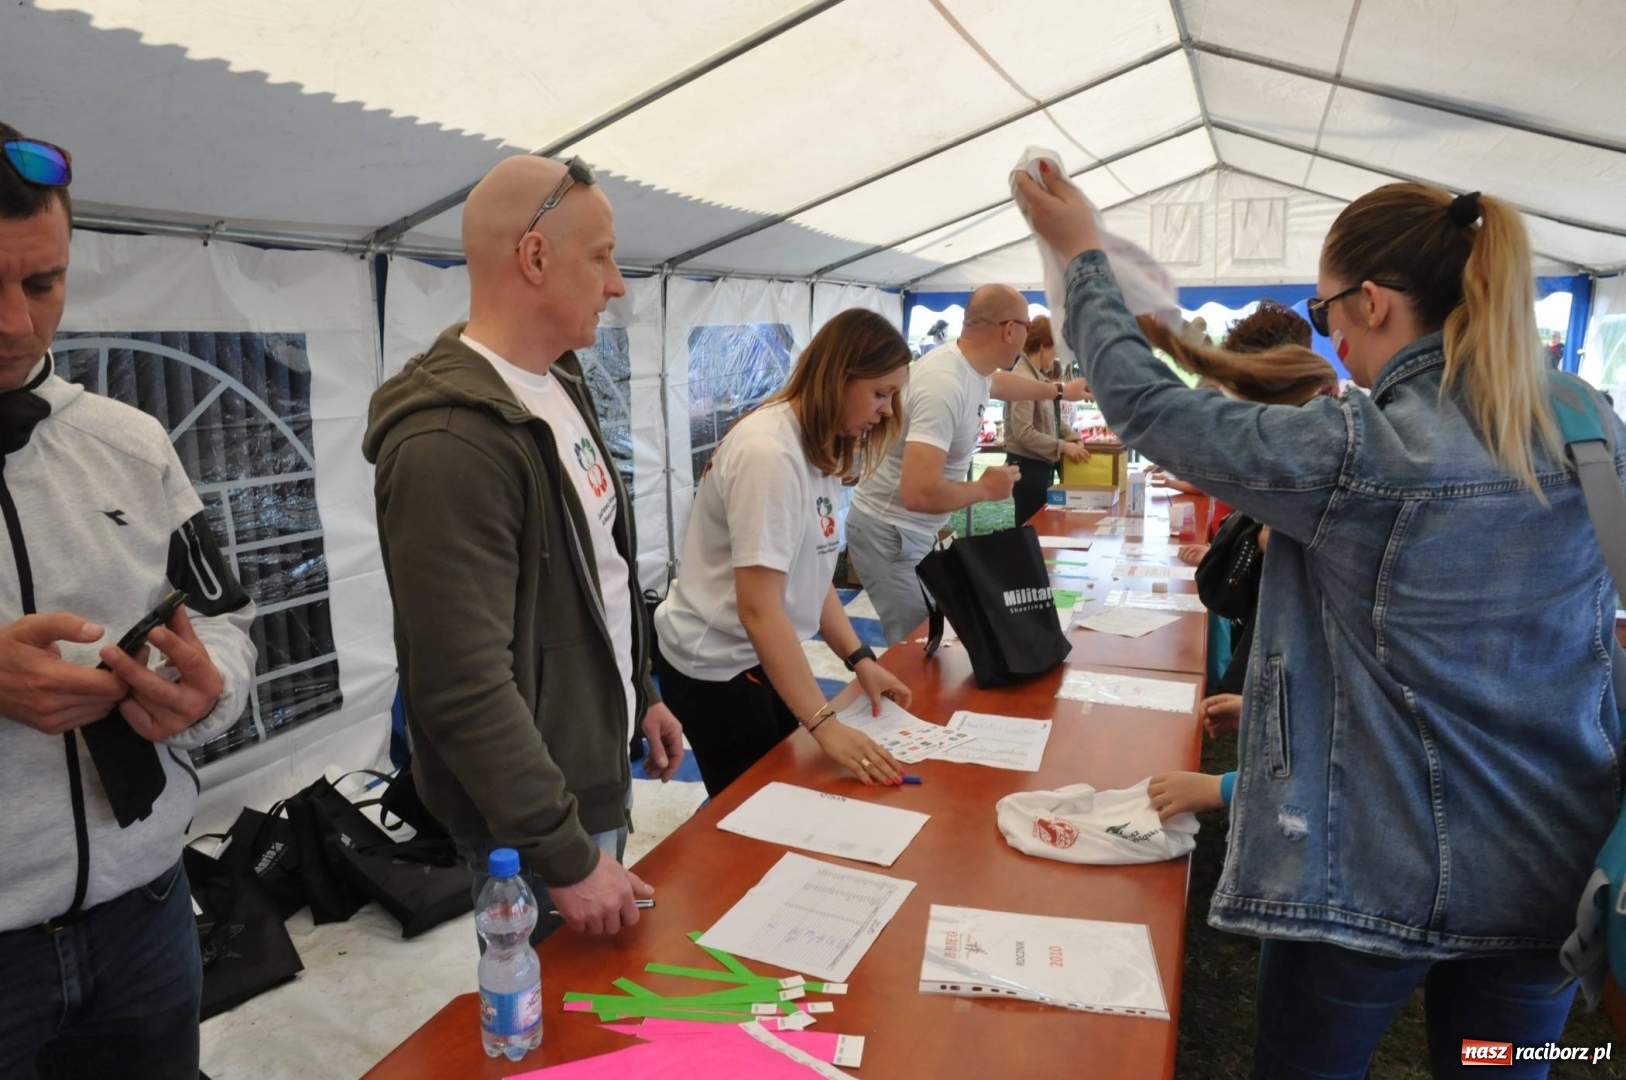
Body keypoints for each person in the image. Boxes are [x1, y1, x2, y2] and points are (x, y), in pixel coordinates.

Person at [1020, 161, 1623, 1077]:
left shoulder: (1359, 448)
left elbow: (1144, 406)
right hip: (1553, 862)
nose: (1330, 334)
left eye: (1325, 308)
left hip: (1364, 874)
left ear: (1372, 303)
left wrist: (1081, 256)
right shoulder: (1594, 431)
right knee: (1506, 1066)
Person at [364, 154, 685, 942]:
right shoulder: (450, 444)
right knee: (552, 1033)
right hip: (530, 821)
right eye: (602, 256)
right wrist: (565, 853)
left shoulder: (556, 384)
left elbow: (594, 571)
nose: (616, 284)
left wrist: (639, 692)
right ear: (536, 258)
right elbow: (461, 684)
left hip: (581, 775)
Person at [0, 122, 258, 1079]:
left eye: (42, 284)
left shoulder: (134, 441)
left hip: (145, 913)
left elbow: (223, 618)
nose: (18, 325)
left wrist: (210, 688)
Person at [655, 309, 916, 796]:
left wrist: (860, 659)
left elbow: (810, 577)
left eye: (893, 396)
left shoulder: (816, 445)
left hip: (756, 655)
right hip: (718, 665)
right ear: (838, 377)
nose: (886, 410)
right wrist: (825, 723)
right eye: (880, 393)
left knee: (789, 782)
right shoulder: (770, 456)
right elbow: (759, 609)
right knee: (758, 805)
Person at [846, 284, 1091, 644]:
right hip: (891, 531)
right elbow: (918, 493)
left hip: (910, 531)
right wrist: (984, 489)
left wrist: (1058, 391)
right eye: (1026, 326)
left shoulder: (970, 367)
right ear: (1010, 330)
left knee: (931, 632)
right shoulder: (943, 384)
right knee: (916, 639)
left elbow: (1001, 384)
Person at [1002, 315, 1090, 525]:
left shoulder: (1038, 377)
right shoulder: (1024, 378)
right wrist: (1063, 447)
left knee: (1044, 531)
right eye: (1054, 349)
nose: (1056, 356)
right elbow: (1023, 433)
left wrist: (1072, 437)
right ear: (1043, 346)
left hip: (1040, 467)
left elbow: (1052, 419)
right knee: (1033, 532)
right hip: (1029, 470)